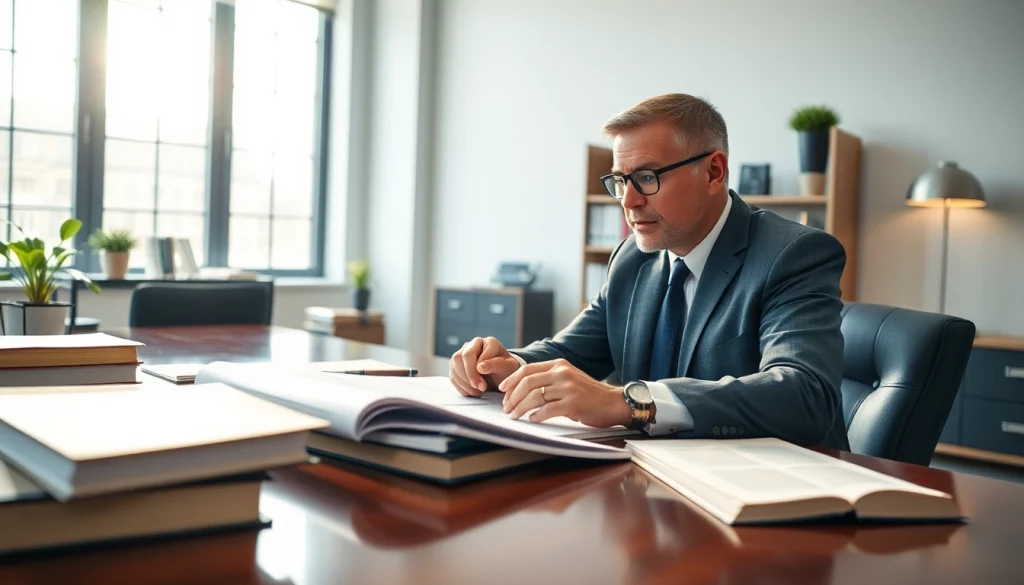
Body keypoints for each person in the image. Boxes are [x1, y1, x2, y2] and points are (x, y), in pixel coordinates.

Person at [449, 93, 850, 451]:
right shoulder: (633, 258)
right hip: (657, 488)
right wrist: (507, 367)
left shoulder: (793, 254)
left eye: (646, 177)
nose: (628, 201)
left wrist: (627, 400)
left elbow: (805, 394)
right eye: (621, 180)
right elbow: (571, 353)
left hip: (783, 498)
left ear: (714, 172)